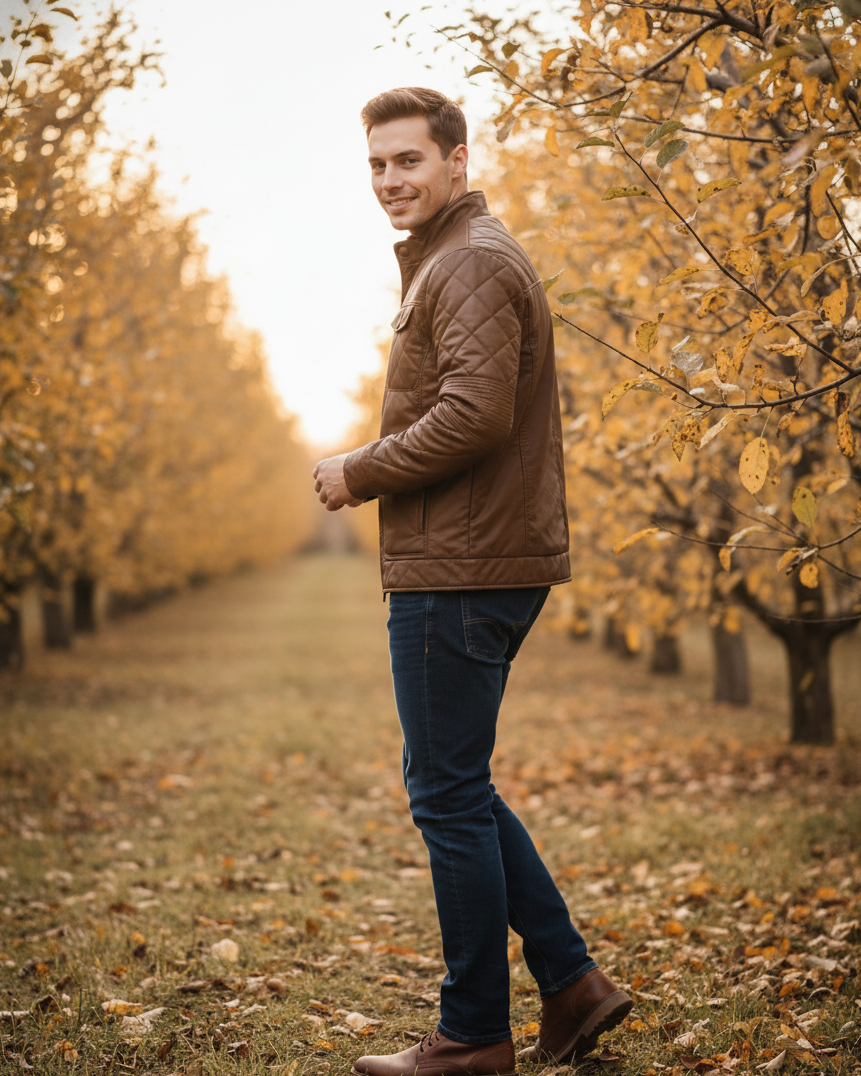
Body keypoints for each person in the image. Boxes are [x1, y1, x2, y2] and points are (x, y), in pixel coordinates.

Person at [312, 87, 632, 1076]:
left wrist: (358, 469)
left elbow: (475, 414)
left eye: (408, 160)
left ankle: (472, 1033)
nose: (391, 180)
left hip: (462, 565)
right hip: (467, 557)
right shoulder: (453, 259)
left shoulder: (473, 261)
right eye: (377, 164)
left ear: (456, 159)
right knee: (452, 780)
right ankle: (572, 982)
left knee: (445, 790)